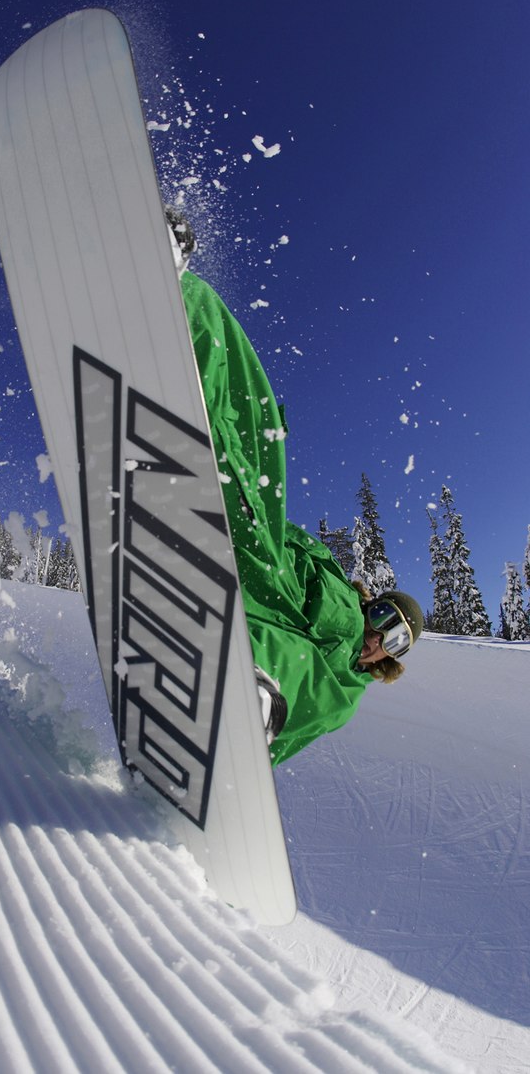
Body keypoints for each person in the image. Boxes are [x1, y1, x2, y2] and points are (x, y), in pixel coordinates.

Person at [165, 207, 424, 767]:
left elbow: (299, 723)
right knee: (256, 431)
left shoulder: (343, 688)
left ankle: (248, 687)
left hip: (249, 626)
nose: (379, 636)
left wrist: (251, 751)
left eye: (395, 640)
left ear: (395, 659)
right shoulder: (341, 598)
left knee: (322, 687)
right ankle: (179, 292)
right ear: (371, 602)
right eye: (384, 617)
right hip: (254, 558)